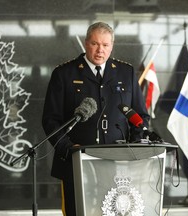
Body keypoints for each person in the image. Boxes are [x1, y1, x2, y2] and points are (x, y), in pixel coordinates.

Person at [42, 22, 150, 215]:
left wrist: (134, 148)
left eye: (105, 45)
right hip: (76, 163)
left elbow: (140, 116)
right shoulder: (64, 74)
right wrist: (68, 148)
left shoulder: (126, 73)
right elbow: (51, 120)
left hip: (118, 165)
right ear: (86, 43)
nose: (100, 50)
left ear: (112, 46)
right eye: (95, 44)